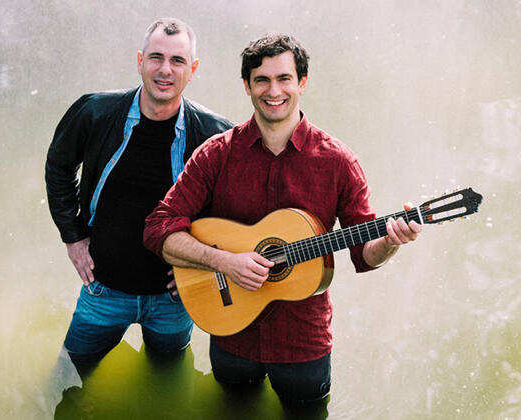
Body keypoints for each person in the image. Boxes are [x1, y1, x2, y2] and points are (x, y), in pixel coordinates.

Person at [143, 33, 421, 405]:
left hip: (302, 343)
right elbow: (158, 227)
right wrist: (223, 262)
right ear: (247, 86)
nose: (273, 91)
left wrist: (389, 241)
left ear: (302, 82)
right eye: (262, 80)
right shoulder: (216, 154)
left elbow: (364, 254)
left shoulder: (338, 162)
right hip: (230, 332)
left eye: (284, 78)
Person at [45, 17, 233, 378]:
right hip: (102, 290)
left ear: (192, 70)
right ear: (139, 61)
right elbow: (58, 167)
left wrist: (203, 266)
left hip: (174, 299)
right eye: (156, 57)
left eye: (177, 61)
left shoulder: (215, 135)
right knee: (65, 382)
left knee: (167, 383)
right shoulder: (94, 112)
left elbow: (233, 211)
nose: (165, 70)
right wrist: (73, 236)